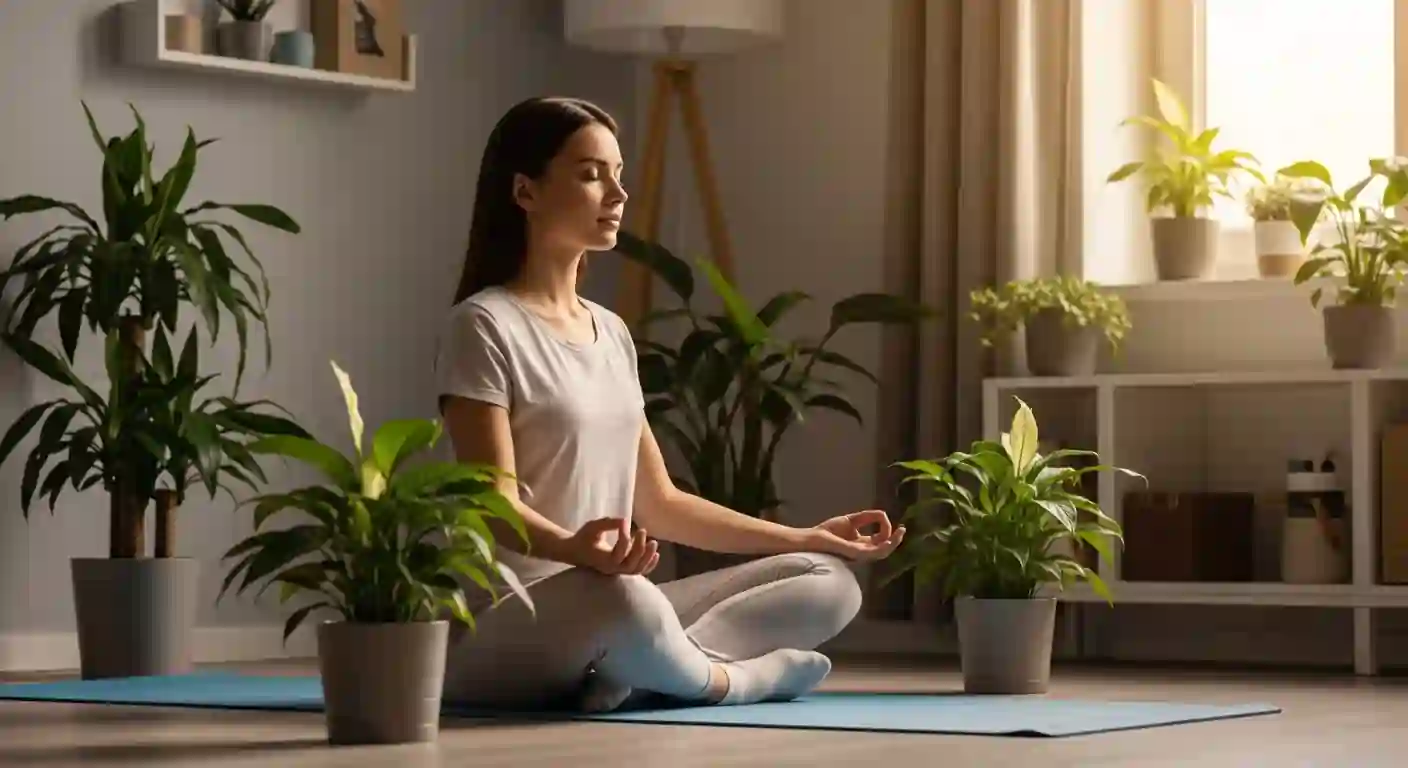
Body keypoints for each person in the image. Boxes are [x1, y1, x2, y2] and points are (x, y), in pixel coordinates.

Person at [433, 96, 906, 714]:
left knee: (830, 582)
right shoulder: (483, 324)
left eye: (619, 174)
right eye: (591, 173)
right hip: (512, 621)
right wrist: (574, 548)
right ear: (525, 191)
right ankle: (730, 681)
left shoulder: (611, 333)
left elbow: (661, 504)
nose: (618, 193)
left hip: (612, 604)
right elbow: (490, 502)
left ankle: (632, 672)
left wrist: (808, 535)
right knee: (623, 600)